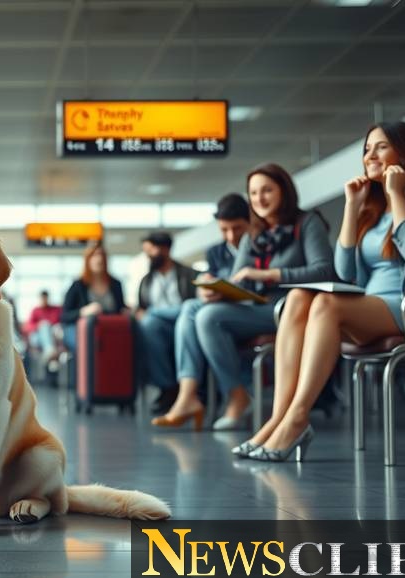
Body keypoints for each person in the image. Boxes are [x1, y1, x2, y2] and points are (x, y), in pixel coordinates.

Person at [237, 122, 405, 461]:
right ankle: (278, 419)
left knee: (326, 304)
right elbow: (345, 271)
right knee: (297, 297)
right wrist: (352, 208)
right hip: (375, 307)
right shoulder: (373, 209)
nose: (370, 155)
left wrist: (397, 194)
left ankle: (297, 419)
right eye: (367, 149)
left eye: (380, 147)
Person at [153, 163, 335, 433]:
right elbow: (239, 279)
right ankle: (188, 394)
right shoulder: (255, 231)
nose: (259, 198)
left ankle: (236, 396)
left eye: (267, 190)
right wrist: (213, 289)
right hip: (256, 306)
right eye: (253, 192)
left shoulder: (307, 223)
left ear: (283, 191)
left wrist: (268, 274)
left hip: (289, 309)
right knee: (194, 306)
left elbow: (324, 270)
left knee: (208, 317)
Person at [162, 193, 251, 430]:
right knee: (192, 306)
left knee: (198, 314)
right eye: (225, 230)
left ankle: (192, 395)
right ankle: (188, 394)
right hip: (223, 310)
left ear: (250, 222)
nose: (231, 236)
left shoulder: (257, 245)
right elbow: (212, 277)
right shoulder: (215, 251)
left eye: (238, 228)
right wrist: (207, 287)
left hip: (248, 311)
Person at [135, 231, 199, 414]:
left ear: (165, 249)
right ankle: (167, 387)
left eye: (151, 251)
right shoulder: (146, 281)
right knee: (149, 325)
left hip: (185, 322)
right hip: (159, 329)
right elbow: (142, 307)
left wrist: (151, 313)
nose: (148, 256)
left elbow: (193, 304)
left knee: (157, 318)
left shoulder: (189, 274)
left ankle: (184, 390)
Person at [59, 243, 127, 353]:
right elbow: (64, 316)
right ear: (87, 260)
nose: (98, 259)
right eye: (94, 256)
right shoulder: (78, 285)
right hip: (80, 329)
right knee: (86, 344)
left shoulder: (116, 284)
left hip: (108, 328)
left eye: (101, 255)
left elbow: (120, 310)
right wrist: (83, 311)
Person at [24, 290, 62, 363]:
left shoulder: (56, 309)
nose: (44, 301)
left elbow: (61, 322)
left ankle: (50, 357)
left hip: (53, 336)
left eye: (45, 298)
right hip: (37, 338)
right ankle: (50, 352)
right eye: (42, 299)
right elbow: (27, 327)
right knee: (45, 325)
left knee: (56, 329)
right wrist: (40, 325)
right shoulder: (35, 310)